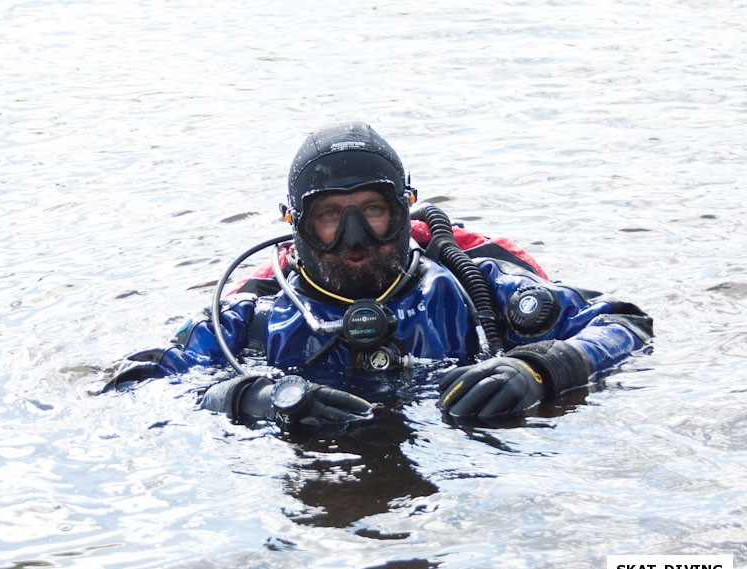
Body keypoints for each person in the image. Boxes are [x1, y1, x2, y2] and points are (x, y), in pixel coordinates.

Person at [103, 122, 653, 429]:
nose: (354, 237)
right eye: (328, 217)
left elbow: (626, 324)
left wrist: (544, 368)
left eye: (371, 210)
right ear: (296, 225)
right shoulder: (255, 320)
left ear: (403, 209)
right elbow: (135, 385)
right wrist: (247, 398)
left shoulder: (469, 290)